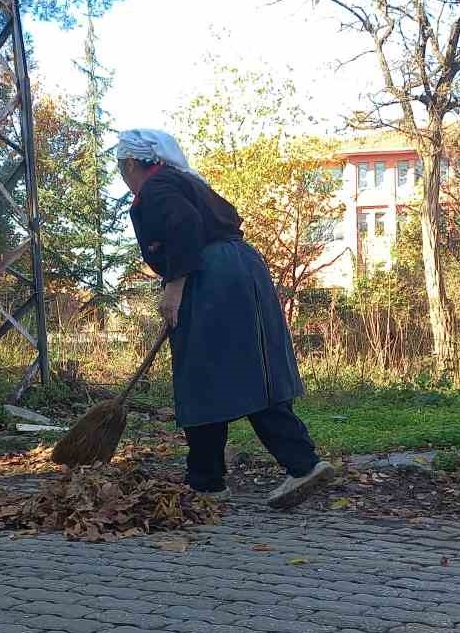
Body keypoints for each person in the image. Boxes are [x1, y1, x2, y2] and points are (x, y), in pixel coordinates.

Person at [116, 128, 337, 509]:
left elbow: (184, 226)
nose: (122, 175)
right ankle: (208, 479)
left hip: (211, 278)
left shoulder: (158, 187)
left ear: (133, 163)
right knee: (225, 372)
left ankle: (292, 465)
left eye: (121, 167)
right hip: (240, 270)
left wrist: (174, 288)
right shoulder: (185, 181)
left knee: (213, 373)